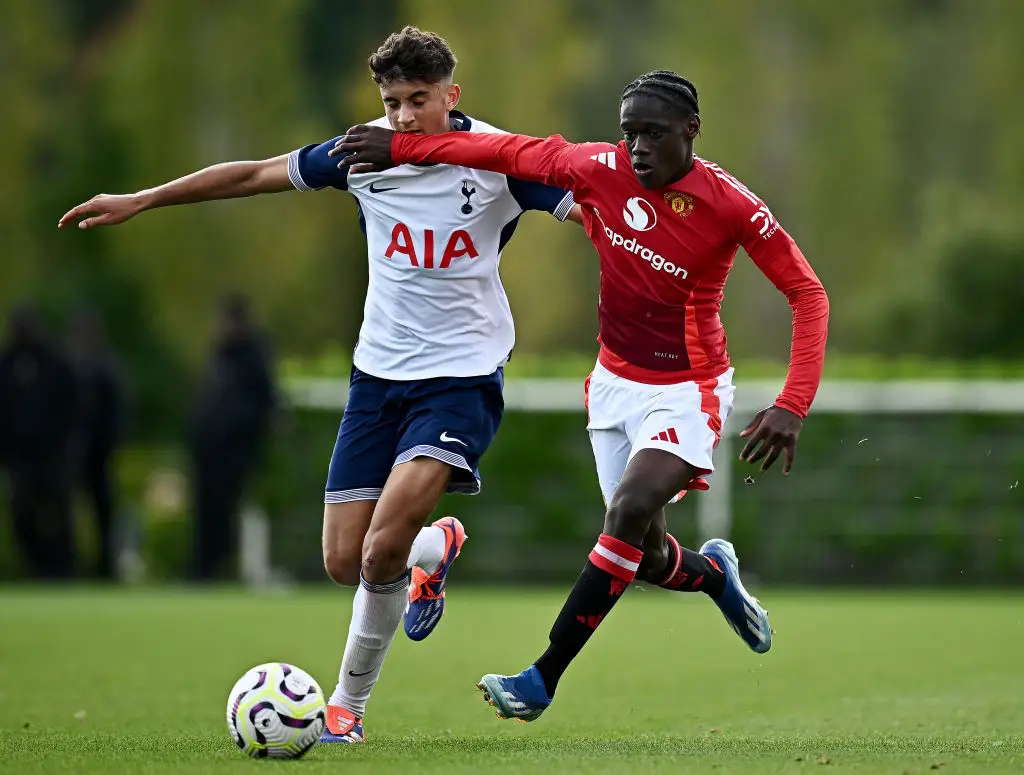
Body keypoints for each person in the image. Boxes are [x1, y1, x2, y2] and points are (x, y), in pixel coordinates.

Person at [58, 26, 579, 741]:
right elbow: (250, 175)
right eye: (391, 102)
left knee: (376, 552)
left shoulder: (498, 160)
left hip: (459, 379)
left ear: (451, 97)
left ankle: (347, 708)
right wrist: (144, 198)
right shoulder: (362, 153)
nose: (400, 118)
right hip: (376, 378)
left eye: (417, 101)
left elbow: (589, 204)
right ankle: (434, 548)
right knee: (344, 560)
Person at [332, 69, 830, 722]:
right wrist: (399, 149)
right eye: (630, 134)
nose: (638, 149)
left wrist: (792, 403)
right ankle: (714, 576)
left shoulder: (733, 204)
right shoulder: (597, 167)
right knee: (644, 556)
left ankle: (542, 675)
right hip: (615, 385)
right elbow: (499, 152)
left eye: (653, 134)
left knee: (625, 510)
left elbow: (807, 294)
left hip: (688, 389)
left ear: (691, 131)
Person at [187, 295, 276, 581]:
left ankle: (219, 568)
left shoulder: (252, 359)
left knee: (225, 510)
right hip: (208, 450)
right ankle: (204, 567)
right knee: (206, 510)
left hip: (234, 451)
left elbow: (263, 405)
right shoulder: (220, 356)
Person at [0, 306, 79, 580]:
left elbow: (71, 407)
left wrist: (63, 443)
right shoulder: (6, 364)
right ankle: (36, 566)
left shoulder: (55, 363)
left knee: (59, 513)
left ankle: (64, 569)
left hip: (53, 455)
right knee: (22, 514)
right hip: (19, 458)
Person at [68, 308, 128, 581]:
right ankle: (69, 564)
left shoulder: (105, 367)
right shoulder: (68, 366)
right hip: (72, 451)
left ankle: (105, 565)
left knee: (103, 510)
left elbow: (118, 410)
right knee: (68, 511)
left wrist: (112, 441)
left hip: (99, 452)